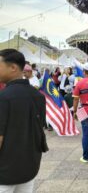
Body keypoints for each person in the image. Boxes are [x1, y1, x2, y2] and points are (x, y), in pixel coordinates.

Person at [0, 49, 46, 191]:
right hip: (29, 166)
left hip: (5, 172)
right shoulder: (38, 96)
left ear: (13, 67)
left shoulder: (3, 97)